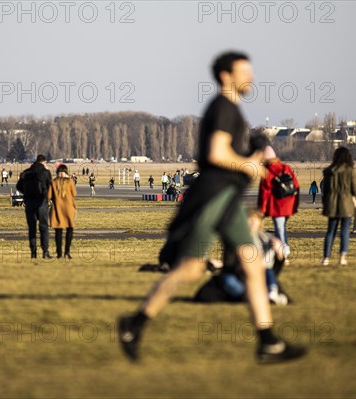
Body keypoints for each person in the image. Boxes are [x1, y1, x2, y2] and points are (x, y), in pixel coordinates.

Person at [117, 51, 306, 364]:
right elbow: (217, 154)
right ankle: (134, 325)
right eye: (244, 71)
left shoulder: (231, 110)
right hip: (213, 199)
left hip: (228, 199)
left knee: (254, 264)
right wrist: (248, 164)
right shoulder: (222, 107)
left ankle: (268, 341)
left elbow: (226, 156)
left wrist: (254, 158)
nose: (252, 77)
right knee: (190, 269)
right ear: (225, 76)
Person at [257, 146, 299, 263]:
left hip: (277, 206)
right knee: (282, 228)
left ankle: (284, 254)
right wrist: (295, 203)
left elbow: (265, 192)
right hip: (289, 204)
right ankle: (284, 251)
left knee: (279, 230)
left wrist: (262, 209)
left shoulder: (267, 171)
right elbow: (296, 185)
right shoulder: (286, 168)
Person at [321, 147, 356, 266]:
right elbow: (355, 189)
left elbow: (325, 190)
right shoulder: (350, 170)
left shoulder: (328, 171)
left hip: (331, 203)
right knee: (345, 231)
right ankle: (342, 257)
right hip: (346, 204)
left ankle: (326, 258)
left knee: (330, 231)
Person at [17, 155, 53, 259]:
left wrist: (26, 194)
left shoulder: (26, 172)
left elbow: (18, 186)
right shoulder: (46, 172)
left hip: (29, 203)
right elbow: (50, 186)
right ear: (43, 162)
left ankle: (33, 252)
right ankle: (45, 251)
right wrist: (47, 197)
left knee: (32, 228)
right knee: (44, 227)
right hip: (42, 202)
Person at [48, 164, 77, 259]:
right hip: (69, 209)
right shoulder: (70, 182)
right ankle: (67, 251)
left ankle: (59, 253)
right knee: (70, 229)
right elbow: (74, 193)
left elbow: (48, 196)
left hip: (57, 209)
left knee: (58, 231)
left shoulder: (53, 182)